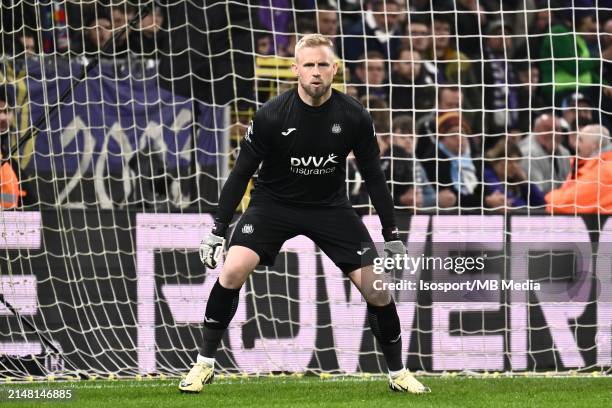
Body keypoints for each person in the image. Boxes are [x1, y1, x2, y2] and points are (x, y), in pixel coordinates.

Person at [179, 34, 430, 395]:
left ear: (335, 69)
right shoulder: (271, 114)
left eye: (323, 64)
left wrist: (391, 235)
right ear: (296, 69)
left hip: (330, 207)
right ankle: (204, 364)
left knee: (377, 290)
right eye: (309, 65)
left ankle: (398, 373)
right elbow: (240, 174)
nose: (316, 72)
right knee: (232, 270)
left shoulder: (354, 115)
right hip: (272, 205)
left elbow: (374, 176)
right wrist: (218, 228)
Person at [546, 125, 612, 213]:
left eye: (580, 140)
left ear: (595, 146)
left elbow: (561, 204)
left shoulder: (604, 171)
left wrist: (549, 197)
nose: (575, 144)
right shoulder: (587, 166)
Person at [483, 139, 546, 211]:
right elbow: (505, 201)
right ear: (497, 161)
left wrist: (525, 183)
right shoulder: (488, 175)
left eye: (517, 162)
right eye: (510, 162)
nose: (515, 166)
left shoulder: (514, 180)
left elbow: (542, 203)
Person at [519, 113, 571, 194]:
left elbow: (569, 184)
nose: (553, 133)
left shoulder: (564, 152)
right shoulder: (527, 154)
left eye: (557, 129)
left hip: (561, 200)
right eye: (547, 129)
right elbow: (537, 193)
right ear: (536, 131)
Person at [0, 86, 25, 209]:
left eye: (7, 111)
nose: (3, 118)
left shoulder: (11, 163)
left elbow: (30, 202)